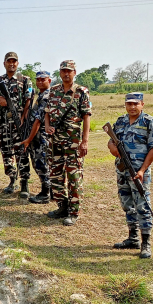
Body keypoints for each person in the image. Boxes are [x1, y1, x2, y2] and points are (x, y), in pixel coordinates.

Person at [106, 93, 153, 258]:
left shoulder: (151, 122)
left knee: (142, 205)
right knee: (127, 204)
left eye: (135, 104)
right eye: (129, 104)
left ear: (142, 104)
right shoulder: (120, 121)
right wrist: (112, 148)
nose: (132, 107)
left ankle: (146, 243)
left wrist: (142, 170)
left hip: (139, 172)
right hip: (122, 170)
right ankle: (133, 238)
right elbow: (111, 139)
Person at [44, 60, 92, 226]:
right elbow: (47, 112)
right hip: (55, 142)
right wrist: (48, 126)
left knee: (74, 176)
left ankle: (74, 211)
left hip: (73, 142)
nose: (66, 73)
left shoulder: (81, 92)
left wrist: (84, 141)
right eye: (63, 70)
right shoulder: (54, 91)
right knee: (55, 176)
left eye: (69, 71)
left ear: (74, 72)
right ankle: (62, 206)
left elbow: (86, 117)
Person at [0, 52, 33, 198]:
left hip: (19, 122)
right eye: (9, 61)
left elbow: (29, 100)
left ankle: (24, 183)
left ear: (17, 64)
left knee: (22, 152)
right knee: (6, 152)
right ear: (4, 64)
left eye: (14, 61)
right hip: (4, 123)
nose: (12, 64)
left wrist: (23, 117)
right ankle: (12, 180)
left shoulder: (24, 79)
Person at [20, 70, 53, 204]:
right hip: (37, 137)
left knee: (41, 165)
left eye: (43, 79)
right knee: (41, 164)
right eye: (38, 80)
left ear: (49, 81)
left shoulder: (46, 97)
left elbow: (38, 122)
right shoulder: (40, 95)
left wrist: (28, 139)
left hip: (40, 138)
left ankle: (45, 193)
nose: (40, 82)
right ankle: (51, 192)